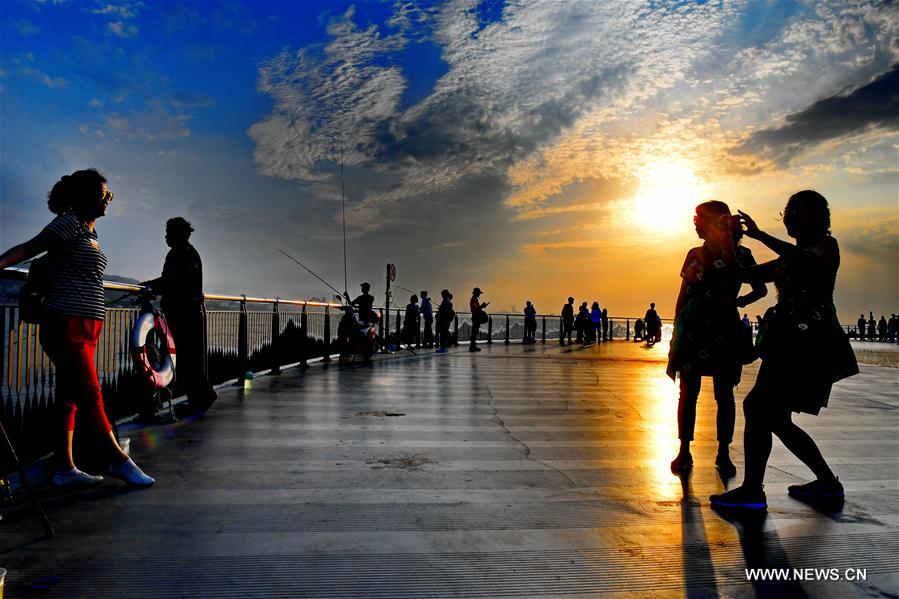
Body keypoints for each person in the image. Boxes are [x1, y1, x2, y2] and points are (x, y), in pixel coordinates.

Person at [0, 169, 154, 488]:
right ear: (85, 197)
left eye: (109, 195)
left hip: (87, 326)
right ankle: (118, 461)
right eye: (104, 194)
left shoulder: (89, 232)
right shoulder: (68, 223)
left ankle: (64, 468)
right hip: (65, 324)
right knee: (90, 392)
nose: (109, 200)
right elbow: (29, 248)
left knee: (69, 396)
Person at [711, 191, 858, 510]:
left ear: (818, 217)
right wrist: (728, 240)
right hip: (786, 343)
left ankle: (752, 491)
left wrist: (760, 235)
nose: (790, 217)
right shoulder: (788, 258)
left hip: (809, 345)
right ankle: (827, 484)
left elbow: (804, 261)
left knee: (758, 408)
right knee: (774, 417)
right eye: (788, 212)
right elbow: (741, 275)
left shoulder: (825, 248)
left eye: (797, 212)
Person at [667, 200, 768, 479]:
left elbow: (760, 289)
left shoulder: (740, 253)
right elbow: (684, 292)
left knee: (724, 394)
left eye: (699, 218)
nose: (695, 223)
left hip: (724, 331)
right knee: (689, 392)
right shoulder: (694, 254)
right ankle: (684, 449)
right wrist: (677, 329)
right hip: (694, 330)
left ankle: (723, 451)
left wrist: (738, 301)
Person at [143, 217, 217, 414]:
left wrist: (149, 285)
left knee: (188, 359)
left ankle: (201, 397)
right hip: (180, 314)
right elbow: (170, 281)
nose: (166, 237)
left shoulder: (186, 255)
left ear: (180, 234)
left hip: (186, 316)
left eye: (169, 233)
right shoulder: (178, 254)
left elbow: (172, 283)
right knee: (187, 359)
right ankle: (199, 397)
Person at [469, 287, 489, 352]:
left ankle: (473, 346)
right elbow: (475, 310)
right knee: (474, 332)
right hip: (475, 318)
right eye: (479, 293)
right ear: (476, 293)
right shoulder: (473, 300)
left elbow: (476, 308)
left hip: (476, 317)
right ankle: (472, 346)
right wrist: (482, 306)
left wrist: (481, 306)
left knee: (475, 332)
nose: (479, 294)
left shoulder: (475, 299)